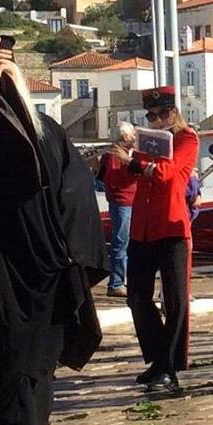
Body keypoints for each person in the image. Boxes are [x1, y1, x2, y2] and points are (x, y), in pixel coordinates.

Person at [0, 34, 106, 425]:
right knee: (4, 338)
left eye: (9, 69)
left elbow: (74, 184)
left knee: (44, 338)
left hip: (46, 251)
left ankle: (34, 418)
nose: (3, 77)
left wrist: (73, 246)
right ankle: (5, 423)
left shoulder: (49, 129)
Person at [126, 85, 195, 396]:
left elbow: (168, 173)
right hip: (142, 228)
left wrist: (141, 163)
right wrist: (116, 160)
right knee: (137, 297)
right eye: (151, 115)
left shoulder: (187, 138)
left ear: (173, 112)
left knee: (176, 300)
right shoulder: (143, 143)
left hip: (172, 226)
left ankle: (168, 366)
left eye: (162, 114)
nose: (156, 119)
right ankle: (159, 359)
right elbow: (124, 180)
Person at [97, 122, 137, 300]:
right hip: (123, 201)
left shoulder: (116, 154)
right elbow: (115, 177)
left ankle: (123, 280)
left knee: (126, 242)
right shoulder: (115, 154)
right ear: (126, 137)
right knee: (121, 242)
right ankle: (116, 283)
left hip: (128, 200)